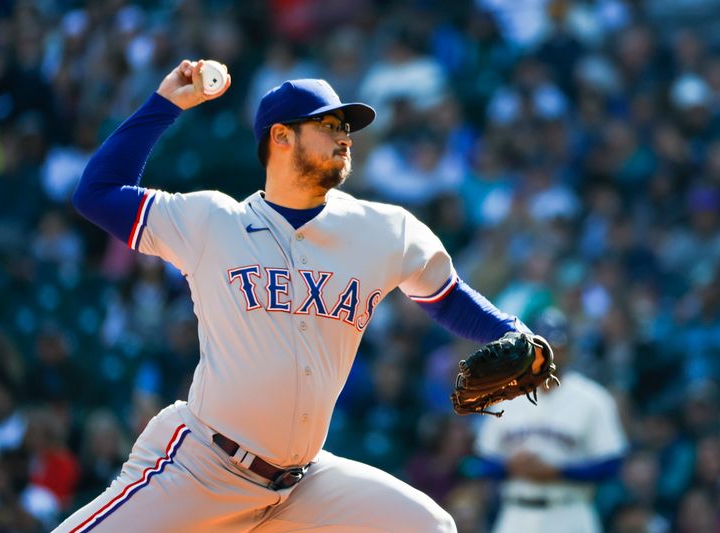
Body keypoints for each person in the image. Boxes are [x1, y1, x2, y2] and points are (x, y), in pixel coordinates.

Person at [56, 59, 544, 532]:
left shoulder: (385, 230)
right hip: (204, 468)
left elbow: (448, 297)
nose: (344, 136)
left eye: (345, 127)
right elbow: (96, 193)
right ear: (281, 136)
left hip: (303, 485)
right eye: (328, 125)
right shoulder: (211, 222)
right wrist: (166, 102)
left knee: (430, 526)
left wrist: (512, 333)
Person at [471, 308, 628, 533]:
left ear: (570, 350)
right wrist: (508, 466)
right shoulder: (504, 396)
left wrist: (559, 472)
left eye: (557, 345)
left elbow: (612, 465)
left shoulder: (593, 399)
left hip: (569, 513)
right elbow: (479, 463)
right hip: (516, 515)